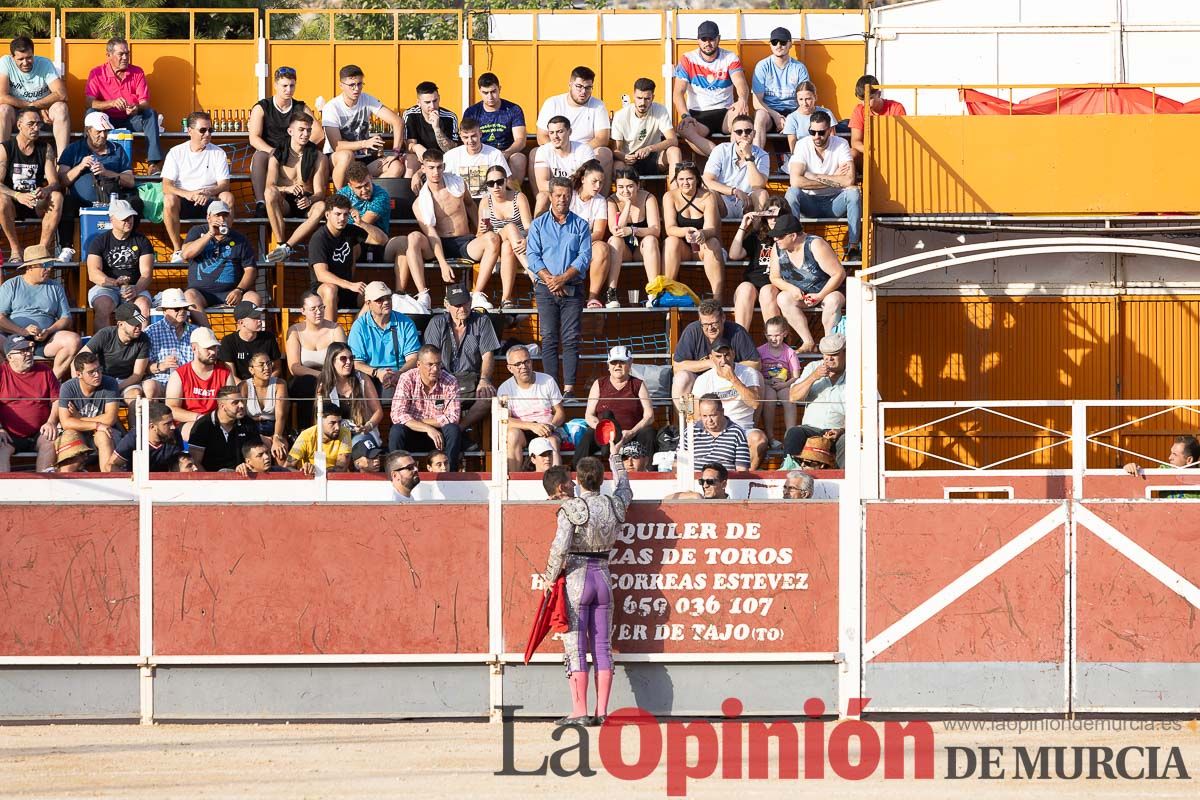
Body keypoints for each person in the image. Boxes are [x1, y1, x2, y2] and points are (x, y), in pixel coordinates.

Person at [538, 451, 632, 726]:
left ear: (577, 480)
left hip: (578, 578)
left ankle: (580, 711)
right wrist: (616, 458)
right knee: (602, 646)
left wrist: (548, 577)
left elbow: (560, 547)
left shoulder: (572, 508)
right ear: (602, 479)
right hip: (603, 576)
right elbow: (626, 487)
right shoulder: (615, 505)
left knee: (576, 647)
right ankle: (602, 712)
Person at [406, 148, 500, 310]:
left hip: (464, 241)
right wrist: (442, 263)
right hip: (437, 245)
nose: (436, 172)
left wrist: (480, 230)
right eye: (431, 167)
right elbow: (431, 233)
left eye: (439, 167)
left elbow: (470, 205)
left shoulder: (458, 184)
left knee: (492, 238)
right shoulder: (419, 202)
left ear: (444, 166)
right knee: (413, 237)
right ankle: (423, 295)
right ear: (423, 168)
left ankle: (477, 294)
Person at [525, 178, 591, 396]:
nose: (562, 199)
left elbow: (585, 256)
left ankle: (569, 388)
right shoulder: (538, 225)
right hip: (545, 288)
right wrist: (551, 280)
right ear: (551, 196)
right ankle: (553, 388)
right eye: (558, 195)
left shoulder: (581, 224)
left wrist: (562, 278)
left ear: (571, 196)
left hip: (572, 287)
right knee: (549, 337)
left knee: (571, 337)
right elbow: (532, 256)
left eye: (566, 195)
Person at [420, 285, 499, 432]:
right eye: (457, 305)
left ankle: (459, 429)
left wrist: (484, 380)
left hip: (471, 380)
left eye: (465, 303)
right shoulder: (437, 323)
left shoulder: (482, 321)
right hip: (441, 380)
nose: (462, 308)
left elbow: (488, 355)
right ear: (446, 305)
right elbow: (429, 358)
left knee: (489, 397)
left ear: (470, 302)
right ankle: (447, 432)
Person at [786, 111, 862, 262]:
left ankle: (853, 247)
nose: (816, 136)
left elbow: (849, 180)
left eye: (821, 132)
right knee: (791, 193)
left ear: (830, 131)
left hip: (835, 203)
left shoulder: (841, 143)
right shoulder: (802, 144)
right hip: (810, 203)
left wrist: (813, 176)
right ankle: (794, 245)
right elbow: (795, 181)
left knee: (854, 192)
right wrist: (834, 177)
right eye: (812, 132)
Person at [765, 212, 846, 352]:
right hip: (802, 296)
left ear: (793, 236)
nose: (776, 239)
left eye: (780, 236)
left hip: (827, 291)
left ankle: (829, 346)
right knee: (783, 298)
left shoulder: (815, 244)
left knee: (833, 300)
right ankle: (808, 342)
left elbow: (838, 274)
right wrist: (791, 289)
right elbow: (774, 277)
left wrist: (820, 295)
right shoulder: (777, 248)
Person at [57, 110, 138, 246]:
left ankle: (129, 243)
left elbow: (130, 181)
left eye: (106, 131)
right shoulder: (73, 149)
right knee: (65, 202)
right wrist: (80, 166)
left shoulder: (117, 149)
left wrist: (107, 172)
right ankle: (66, 247)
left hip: (113, 200)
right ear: (88, 131)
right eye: (98, 131)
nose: (103, 135)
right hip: (80, 202)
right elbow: (62, 181)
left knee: (136, 204)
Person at [161, 111, 234, 262]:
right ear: (189, 131)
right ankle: (177, 250)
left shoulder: (218, 153)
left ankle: (221, 242)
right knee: (169, 199)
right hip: (184, 201)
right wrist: (188, 194)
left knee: (228, 197)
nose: (207, 134)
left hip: (209, 202)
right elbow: (166, 186)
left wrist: (207, 192)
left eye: (210, 130)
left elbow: (224, 184)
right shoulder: (176, 152)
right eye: (203, 130)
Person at [672, 20, 749, 157]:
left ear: (718, 38)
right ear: (698, 40)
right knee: (684, 128)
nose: (708, 43)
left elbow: (740, 83)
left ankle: (736, 158)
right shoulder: (687, 59)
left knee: (743, 122)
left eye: (711, 39)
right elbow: (678, 93)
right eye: (704, 39)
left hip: (725, 112)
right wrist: (685, 115)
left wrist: (742, 99)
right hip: (698, 115)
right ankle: (723, 158)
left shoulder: (730, 57)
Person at [249, 65, 321, 211]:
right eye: (285, 86)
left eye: (292, 86)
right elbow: (254, 138)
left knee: (316, 157)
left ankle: (306, 199)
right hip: (270, 152)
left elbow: (318, 133)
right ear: (275, 85)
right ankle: (260, 203)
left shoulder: (300, 106)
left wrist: (301, 149)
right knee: (258, 157)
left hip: (295, 153)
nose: (289, 90)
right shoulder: (262, 107)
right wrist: (276, 153)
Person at [84, 37, 163, 170]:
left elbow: (145, 103)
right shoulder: (97, 73)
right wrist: (112, 103)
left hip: (130, 119)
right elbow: (89, 102)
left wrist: (136, 108)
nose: (125, 57)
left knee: (150, 113)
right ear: (109, 56)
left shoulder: (137, 72)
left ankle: (153, 164)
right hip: (106, 121)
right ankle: (89, 157)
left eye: (127, 53)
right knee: (90, 114)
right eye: (121, 54)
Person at [0, 245, 79, 379]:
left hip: (45, 339)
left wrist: (48, 330)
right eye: (44, 265)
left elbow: (66, 318)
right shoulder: (11, 285)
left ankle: (50, 384)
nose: (49, 268)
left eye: (50, 264)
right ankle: (7, 382)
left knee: (73, 340)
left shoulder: (55, 286)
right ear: (30, 267)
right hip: (14, 339)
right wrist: (22, 331)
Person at [321, 64, 404, 189]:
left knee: (396, 166)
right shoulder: (332, 107)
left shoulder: (367, 99)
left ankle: (369, 195)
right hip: (338, 159)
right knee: (347, 155)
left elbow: (398, 122)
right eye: (351, 85)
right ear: (341, 86)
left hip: (363, 158)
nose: (356, 89)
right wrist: (365, 143)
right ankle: (344, 199)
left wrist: (395, 152)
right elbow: (337, 146)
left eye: (359, 84)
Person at [180, 200, 261, 326]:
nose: (222, 219)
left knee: (253, 298)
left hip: (231, 293)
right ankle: (208, 335)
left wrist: (239, 290)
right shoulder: (197, 231)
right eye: (217, 215)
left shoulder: (240, 239)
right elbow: (186, 254)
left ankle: (240, 338)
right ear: (208, 217)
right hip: (201, 293)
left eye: (225, 215)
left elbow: (251, 269)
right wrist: (210, 234)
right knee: (189, 296)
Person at [263, 111, 329, 264]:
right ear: (290, 131)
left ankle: (286, 248)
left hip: (306, 202)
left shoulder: (318, 156)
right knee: (270, 193)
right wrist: (287, 189)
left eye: (308, 130)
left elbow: (320, 192)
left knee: (322, 206)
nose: (305, 134)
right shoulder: (277, 153)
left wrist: (310, 200)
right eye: (301, 130)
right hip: (285, 201)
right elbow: (270, 185)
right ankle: (280, 243)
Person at [690, 339, 767, 470]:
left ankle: (745, 478)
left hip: (743, 429)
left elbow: (754, 403)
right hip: (713, 430)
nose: (723, 360)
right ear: (711, 358)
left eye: (727, 355)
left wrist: (733, 379)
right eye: (718, 356)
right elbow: (697, 415)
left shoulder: (748, 373)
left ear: (734, 354)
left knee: (759, 439)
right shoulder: (703, 379)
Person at [671, 299, 759, 409]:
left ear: (723, 318)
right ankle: (687, 421)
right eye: (705, 324)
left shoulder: (737, 331)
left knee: (758, 377)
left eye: (714, 323)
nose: (710, 328)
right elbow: (677, 366)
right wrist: (711, 363)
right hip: (700, 384)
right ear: (700, 321)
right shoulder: (692, 331)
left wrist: (729, 368)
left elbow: (756, 364)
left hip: (731, 380)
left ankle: (751, 424)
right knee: (681, 378)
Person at [0, 107, 63, 259]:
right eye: (31, 124)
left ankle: (40, 251)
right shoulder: (5, 148)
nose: (36, 128)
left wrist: (46, 190)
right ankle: (15, 250)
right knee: (1, 201)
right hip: (13, 202)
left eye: (39, 124)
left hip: (36, 201)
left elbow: (55, 182)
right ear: (19, 125)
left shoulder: (45, 148)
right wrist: (17, 195)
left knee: (57, 196)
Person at [576, 345, 655, 465]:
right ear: (608, 365)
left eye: (622, 362)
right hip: (604, 434)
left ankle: (650, 472)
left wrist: (632, 432)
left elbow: (649, 416)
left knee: (649, 433)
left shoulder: (638, 384)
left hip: (632, 434)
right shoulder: (599, 384)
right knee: (588, 435)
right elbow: (589, 415)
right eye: (614, 362)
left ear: (630, 363)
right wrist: (603, 429)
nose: (617, 365)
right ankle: (576, 473)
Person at [536, 66, 612, 187]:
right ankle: (543, 198)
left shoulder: (598, 105)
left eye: (588, 88)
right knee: (535, 153)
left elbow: (602, 138)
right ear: (570, 84)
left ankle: (600, 200)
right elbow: (541, 137)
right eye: (579, 87)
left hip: (586, 153)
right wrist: (561, 150)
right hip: (556, 151)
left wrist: (579, 152)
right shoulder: (552, 103)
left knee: (605, 153)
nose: (583, 92)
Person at [390, 343, 463, 469]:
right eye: (430, 365)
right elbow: (397, 414)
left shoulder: (450, 381)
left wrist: (423, 423)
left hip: (439, 435)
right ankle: (397, 471)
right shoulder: (407, 378)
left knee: (453, 429)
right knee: (397, 430)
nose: (435, 369)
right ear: (418, 365)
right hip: (413, 432)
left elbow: (453, 417)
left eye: (438, 364)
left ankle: (451, 473)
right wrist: (427, 428)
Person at [84, 199, 152, 328]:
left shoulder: (142, 241)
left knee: (142, 308)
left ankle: (140, 345)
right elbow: (93, 273)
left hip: (135, 286)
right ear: (112, 220)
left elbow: (146, 274)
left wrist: (135, 289)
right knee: (103, 306)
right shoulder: (100, 241)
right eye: (124, 218)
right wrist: (114, 282)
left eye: (130, 217)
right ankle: (106, 345)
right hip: (106, 288)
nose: (128, 221)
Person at [497, 345, 565, 472]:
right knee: (512, 435)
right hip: (521, 431)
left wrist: (551, 426)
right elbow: (503, 420)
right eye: (518, 364)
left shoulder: (548, 380)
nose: (523, 366)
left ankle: (556, 482)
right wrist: (532, 426)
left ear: (531, 362)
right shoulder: (504, 389)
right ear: (509, 368)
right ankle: (514, 481)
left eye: (526, 361)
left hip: (547, 429)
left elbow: (560, 412)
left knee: (552, 442)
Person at [308, 194, 376, 320]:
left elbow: (381, 240)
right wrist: (349, 285)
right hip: (323, 290)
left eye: (345, 214)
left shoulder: (350, 231)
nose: (342, 218)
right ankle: (331, 337)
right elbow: (321, 274)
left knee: (375, 292)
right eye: (337, 214)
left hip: (347, 289)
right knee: (330, 289)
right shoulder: (319, 238)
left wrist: (361, 223)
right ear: (327, 215)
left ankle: (355, 332)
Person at [662, 162, 724, 301]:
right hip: (683, 248)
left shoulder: (707, 196)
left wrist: (702, 234)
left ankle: (717, 297)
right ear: (676, 180)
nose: (685, 183)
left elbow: (711, 228)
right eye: (681, 179)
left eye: (689, 179)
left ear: (696, 179)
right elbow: (669, 228)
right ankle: (666, 291)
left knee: (713, 242)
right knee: (670, 241)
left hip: (702, 247)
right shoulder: (669, 196)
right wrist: (685, 231)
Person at [347, 281, 420, 399]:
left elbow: (413, 358)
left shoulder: (406, 323)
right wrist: (377, 373)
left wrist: (399, 373)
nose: (386, 302)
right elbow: (356, 363)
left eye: (388, 297)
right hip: (370, 376)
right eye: (379, 299)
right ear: (368, 303)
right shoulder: (359, 326)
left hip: (401, 375)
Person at [284, 290, 346, 427]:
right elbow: (294, 367)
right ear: (303, 310)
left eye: (321, 307)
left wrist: (328, 377)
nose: (319, 312)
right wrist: (320, 376)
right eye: (313, 309)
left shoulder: (336, 329)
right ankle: (304, 430)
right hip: (306, 378)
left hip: (333, 376)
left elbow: (343, 360)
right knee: (307, 383)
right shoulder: (295, 331)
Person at [785, 333, 847, 468]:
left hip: (840, 431)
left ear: (845, 352)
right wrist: (814, 377)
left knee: (848, 440)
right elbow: (793, 397)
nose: (829, 359)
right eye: (825, 355)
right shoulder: (813, 367)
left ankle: (843, 477)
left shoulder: (857, 372)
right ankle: (790, 470)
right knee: (794, 432)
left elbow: (867, 412)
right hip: (811, 429)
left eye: (834, 354)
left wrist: (841, 430)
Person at [0, 36, 69, 157]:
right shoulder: (6, 62)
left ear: (33, 54)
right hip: (18, 117)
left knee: (61, 108)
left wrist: (36, 106)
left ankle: (63, 161)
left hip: (44, 117)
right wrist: (31, 106)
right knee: (3, 109)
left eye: (29, 57)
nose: (25, 62)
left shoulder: (44, 63)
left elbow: (62, 94)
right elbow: (2, 96)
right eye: (20, 59)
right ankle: (2, 159)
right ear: (12, 58)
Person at [0, 334, 58, 472]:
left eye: (28, 349)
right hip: (8, 433)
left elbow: (57, 400)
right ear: (10, 357)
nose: (28, 353)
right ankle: (4, 491)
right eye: (22, 351)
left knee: (50, 442)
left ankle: (44, 491)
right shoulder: (1, 373)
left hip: (40, 432)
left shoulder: (45, 371)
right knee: (0, 448)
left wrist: (51, 422)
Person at [730, 197, 788, 333]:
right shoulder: (758, 236)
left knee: (767, 291)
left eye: (777, 216)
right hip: (752, 287)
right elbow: (734, 255)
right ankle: (741, 341)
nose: (773, 219)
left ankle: (774, 342)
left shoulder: (790, 237)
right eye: (770, 215)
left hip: (775, 288)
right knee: (745, 288)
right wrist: (743, 226)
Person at [164, 326, 234, 439]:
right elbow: (172, 409)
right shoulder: (179, 375)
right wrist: (200, 418)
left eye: (215, 347)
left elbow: (232, 403)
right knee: (200, 430)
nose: (213, 352)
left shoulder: (225, 373)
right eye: (208, 348)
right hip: (189, 423)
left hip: (219, 422)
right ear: (194, 348)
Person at [57, 350, 121, 472]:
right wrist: (97, 424)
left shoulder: (110, 383)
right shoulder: (67, 387)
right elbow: (66, 423)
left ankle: (108, 480)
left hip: (105, 432)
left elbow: (110, 419)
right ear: (79, 374)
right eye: (91, 372)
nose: (97, 375)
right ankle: (65, 481)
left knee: (104, 434)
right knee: (70, 434)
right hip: (79, 432)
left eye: (98, 370)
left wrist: (79, 418)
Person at [477, 165, 531, 309]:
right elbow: (479, 235)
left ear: (506, 181)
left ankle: (506, 298)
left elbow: (528, 228)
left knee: (508, 245)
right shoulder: (485, 202)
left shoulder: (518, 197)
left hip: (518, 245)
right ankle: (534, 274)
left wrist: (527, 241)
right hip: (496, 247)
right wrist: (483, 230)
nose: (496, 187)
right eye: (490, 184)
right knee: (510, 227)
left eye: (499, 182)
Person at [463, 72, 528, 188]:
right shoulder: (471, 112)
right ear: (480, 92)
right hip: (481, 152)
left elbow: (521, 140)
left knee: (519, 158)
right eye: (485, 93)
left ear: (499, 89)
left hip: (506, 152)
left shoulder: (513, 109)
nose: (490, 97)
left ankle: (515, 195)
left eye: (493, 91)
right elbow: (466, 137)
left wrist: (505, 154)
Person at [79, 302, 150, 406]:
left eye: (139, 322)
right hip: (101, 379)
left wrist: (114, 387)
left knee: (136, 396)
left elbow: (137, 375)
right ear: (120, 324)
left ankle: (134, 423)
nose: (138, 327)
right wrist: (80, 384)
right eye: (134, 323)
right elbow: (79, 359)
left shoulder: (143, 339)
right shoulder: (105, 334)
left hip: (127, 382)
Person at [751, 27, 809, 151]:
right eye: (774, 42)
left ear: (790, 44)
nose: (779, 45)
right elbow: (756, 102)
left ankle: (799, 163)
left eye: (783, 42)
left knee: (807, 116)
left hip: (794, 111)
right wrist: (776, 115)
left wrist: (791, 119)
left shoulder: (799, 68)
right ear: (770, 44)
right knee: (760, 116)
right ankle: (755, 160)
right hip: (769, 112)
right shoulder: (762, 66)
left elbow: (805, 99)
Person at [610, 77, 681, 179]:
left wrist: (649, 149)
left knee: (674, 151)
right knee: (618, 166)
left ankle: (675, 193)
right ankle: (622, 194)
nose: (642, 103)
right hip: (629, 159)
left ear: (653, 97)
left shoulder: (660, 110)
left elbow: (673, 140)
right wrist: (624, 157)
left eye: (647, 99)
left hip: (654, 156)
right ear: (634, 96)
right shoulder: (621, 115)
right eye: (639, 98)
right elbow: (616, 149)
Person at [702, 114, 769, 219]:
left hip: (748, 202)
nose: (744, 135)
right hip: (723, 200)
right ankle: (713, 234)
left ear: (754, 133)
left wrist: (748, 156)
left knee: (762, 194)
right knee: (710, 194)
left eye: (748, 131)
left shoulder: (762, 154)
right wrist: (734, 191)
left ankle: (759, 234)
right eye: (739, 132)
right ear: (733, 135)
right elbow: (707, 180)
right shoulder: (721, 150)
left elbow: (758, 185)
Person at [607, 167, 662, 292]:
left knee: (651, 240)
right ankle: (611, 291)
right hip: (622, 250)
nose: (625, 190)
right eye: (621, 187)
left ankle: (654, 291)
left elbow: (656, 230)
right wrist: (627, 205)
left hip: (642, 250)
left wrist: (633, 231)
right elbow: (616, 230)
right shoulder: (611, 201)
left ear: (638, 185)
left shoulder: (648, 198)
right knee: (615, 240)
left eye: (630, 186)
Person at [317, 341, 383, 443]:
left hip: (362, 434)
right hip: (336, 436)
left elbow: (378, 411)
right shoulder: (324, 383)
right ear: (332, 361)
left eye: (351, 358)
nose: (349, 362)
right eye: (343, 358)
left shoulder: (362, 378)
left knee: (359, 443)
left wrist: (368, 426)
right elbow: (321, 417)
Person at [532, 116, 595, 217]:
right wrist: (568, 187)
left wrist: (560, 187)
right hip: (557, 195)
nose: (555, 136)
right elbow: (542, 184)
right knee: (542, 196)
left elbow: (589, 182)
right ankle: (537, 231)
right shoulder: (543, 151)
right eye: (551, 133)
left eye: (559, 131)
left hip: (579, 194)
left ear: (569, 132)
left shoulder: (584, 150)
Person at [187, 385, 259, 472]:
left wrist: (247, 467)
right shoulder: (202, 426)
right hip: (212, 479)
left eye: (242, 401)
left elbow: (256, 455)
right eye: (235, 402)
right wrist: (211, 482)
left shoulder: (249, 424)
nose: (241, 405)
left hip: (242, 477)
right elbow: (196, 462)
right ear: (222, 406)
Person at [569, 160, 611, 309]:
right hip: (564, 243)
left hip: (586, 243)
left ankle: (592, 298)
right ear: (583, 180)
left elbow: (599, 232)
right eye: (594, 181)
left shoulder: (600, 201)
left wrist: (579, 241)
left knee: (602, 248)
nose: (598, 186)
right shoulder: (568, 195)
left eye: (601, 182)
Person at [143, 288, 196, 399]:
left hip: (190, 382)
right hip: (162, 381)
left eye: (184, 308)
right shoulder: (150, 332)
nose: (182, 311)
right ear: (164, 311)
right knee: (149, 386)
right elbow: (143, 368)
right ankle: (153, 416)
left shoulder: (196, 332)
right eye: (177, 308)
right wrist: (161, 366)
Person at [757, 316, 801, 444]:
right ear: (765, 334)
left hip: (784, 383)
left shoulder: (789, 352)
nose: (773, 339)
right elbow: (756, 373)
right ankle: (770, 437)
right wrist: (767, 382)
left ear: (784, 334)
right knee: (768, 400)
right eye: (769, 335)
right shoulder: (760, 351)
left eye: (777, 335)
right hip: (767, 383)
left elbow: (796, 376)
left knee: (789, 400)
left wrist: (785, 384)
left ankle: (790, 435)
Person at [402, 80, 459, 175]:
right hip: (419, 158)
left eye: (435, 101)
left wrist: (437, 128)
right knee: (410, 159)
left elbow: (451, 150)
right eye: (427, 102)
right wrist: (416, 147)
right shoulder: (410, 114)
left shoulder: (449, 117)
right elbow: (409, 146)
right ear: (419, 102)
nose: (432, 106)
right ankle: (407, 189)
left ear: (439, 98)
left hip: (442, 158)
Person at [107, 401, 182, 473]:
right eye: (168, 423)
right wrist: (131, 478)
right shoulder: (134, 438)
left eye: (172, 422)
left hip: (164, 482)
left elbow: (180, 464)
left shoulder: (174, 435)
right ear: (152, 426)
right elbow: (110, 466)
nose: (173, 427)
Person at [444, 117, 509, 200]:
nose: (470, 141)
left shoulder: (495, 154)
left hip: (488, 200)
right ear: (460, 136)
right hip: (461, 201)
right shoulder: (450, 156)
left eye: (473, 136)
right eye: (466, 137)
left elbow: (508, 180)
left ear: (480, 134)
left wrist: (518, 194)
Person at [242, 350, 288, 463]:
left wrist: (277, 437)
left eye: (269, 363)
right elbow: (241, 415)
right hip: (250, 428)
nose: (267, 367)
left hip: (274, 427)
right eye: (261, 365)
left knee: (280, 452)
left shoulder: (280, 384)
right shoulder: (244, 386)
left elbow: (280, 415)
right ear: (251, 370)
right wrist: (260, 437)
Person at [218, 300, 281, 381]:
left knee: (282, 384)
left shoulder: (269, 337)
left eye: (259, 317)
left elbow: (277, 368)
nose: (259, 320)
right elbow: (231, 375)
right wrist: (248, 389)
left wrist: (265, 384)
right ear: (241, 322)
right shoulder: (228, 341)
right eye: (255, 317)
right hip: (240, 386)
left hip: (266, 383)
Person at [850, 73, 906, 161]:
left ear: (879, 94)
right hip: (869, 156)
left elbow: (901, 139)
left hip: (893, 155)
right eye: (862, 100)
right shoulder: (859, 110)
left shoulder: (896, 108)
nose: (865, 103)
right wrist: (870, 151)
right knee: (852, 153)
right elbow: (855, 142)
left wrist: (884, 152)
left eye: (870, 98)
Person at [686, 395, 750, 473]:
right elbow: (678, 464)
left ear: (722, 412)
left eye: (712, 415)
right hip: (694, 482)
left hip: (725, 482)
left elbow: (742, 470)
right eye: (704, 416)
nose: (709, 420)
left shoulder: (736, 432)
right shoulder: (690, 431)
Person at [287, 401, 351, 473]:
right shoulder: (306, 435)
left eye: (339, 422)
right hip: (310, 481)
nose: (337, 428)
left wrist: (317, 471)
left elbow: (341, 468)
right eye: (332, 423)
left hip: (334, 480)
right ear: (320, 422)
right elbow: (287, 467)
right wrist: (303, 472)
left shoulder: (345, 432)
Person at [782, 81, 835, 154]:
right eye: (801, 99)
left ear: (815, 97)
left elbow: (833, 140)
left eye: (808, 99)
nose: (804, 103)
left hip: (826, 153)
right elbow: (793, 147)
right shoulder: (792, 118)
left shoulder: (827, 113)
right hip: (803, 156)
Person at [1123, 435, 1200, 476]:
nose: (1169, 458)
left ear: (1189, 460)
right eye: (1171, 453)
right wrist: (1131, 467)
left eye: (1175, 454)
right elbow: (1144, 478)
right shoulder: (1164, 469)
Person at [666, 462, 730, 500]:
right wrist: (694, 495)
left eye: (710, 481)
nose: (705, 486)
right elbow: (667, 499)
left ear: (723, 484)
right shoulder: (698, 499)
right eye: (702, 481)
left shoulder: (736, 507)